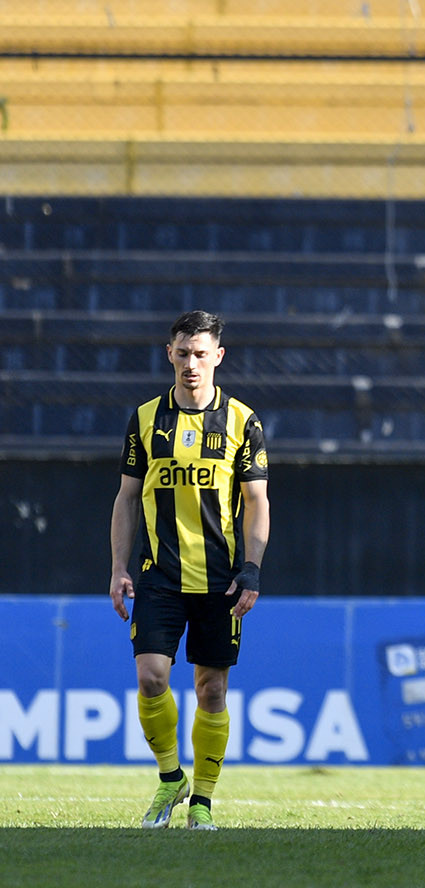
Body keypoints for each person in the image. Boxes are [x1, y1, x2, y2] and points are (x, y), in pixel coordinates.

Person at [109, 310, 270, 832]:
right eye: (183, 353)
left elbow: (256, 500)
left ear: (218, 357)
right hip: (159, 575)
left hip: (220, 579)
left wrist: (252, 568)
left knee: (211, 691)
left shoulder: (244, 422)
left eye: (201, 354)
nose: (191, 364)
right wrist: (118, 567)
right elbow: (127, 497)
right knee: (152, 676)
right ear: (169, 354)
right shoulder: (145, 419)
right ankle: (169, 776)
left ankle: (201, 801)